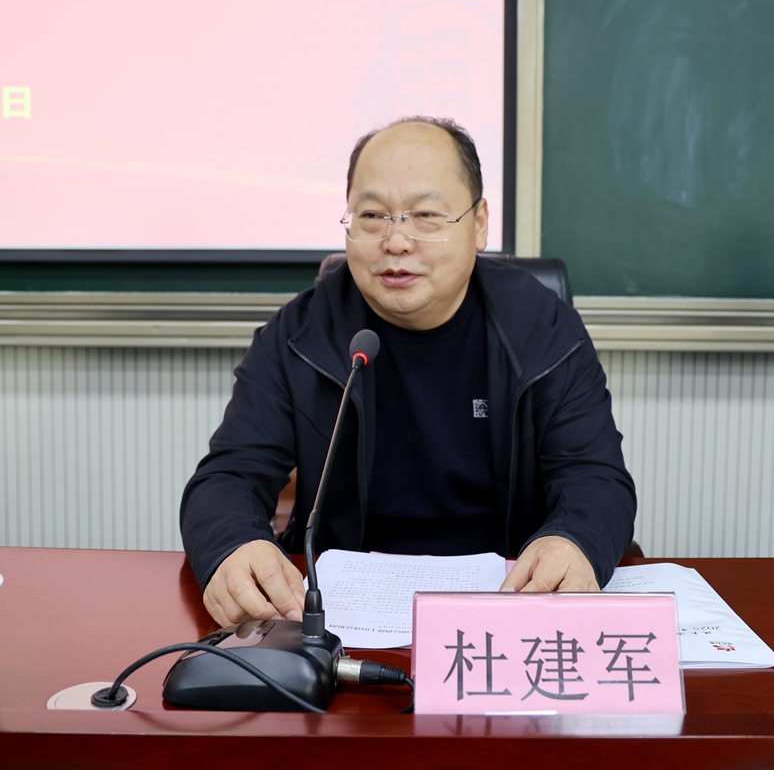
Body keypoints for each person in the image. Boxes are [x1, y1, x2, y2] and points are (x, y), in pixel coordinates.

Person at [181, 116, 636, 628]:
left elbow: (595, 478)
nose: (396, 242)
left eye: (426, 215)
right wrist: (233, 545)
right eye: (372, 215)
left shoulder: (542, 326)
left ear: (479, 223)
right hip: (342, 620)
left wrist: (573, 541)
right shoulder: (301, 334)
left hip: (507, 608)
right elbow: (229, 476)